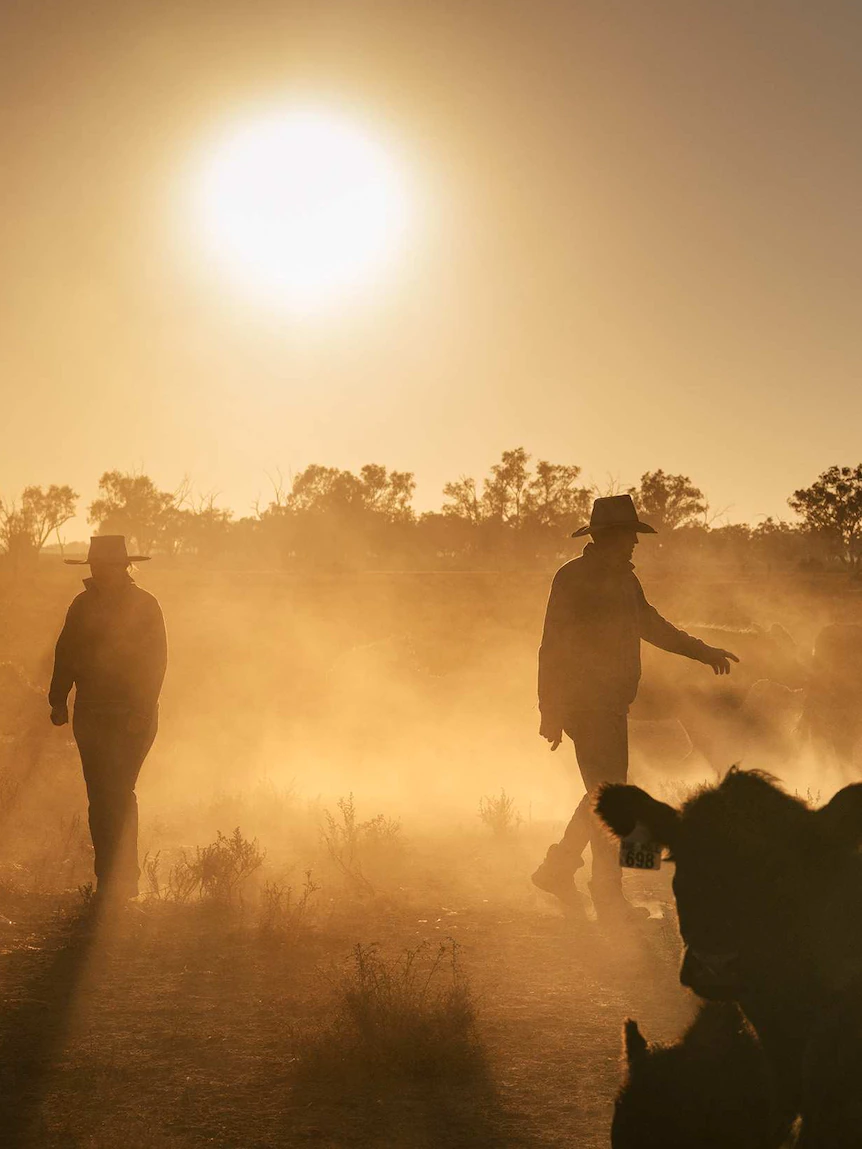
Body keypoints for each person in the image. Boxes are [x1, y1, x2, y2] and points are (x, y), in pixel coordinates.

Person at [532, 495, 738, 922]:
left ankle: (559, 869)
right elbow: (552, 645)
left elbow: (654, 626)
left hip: (611, 703)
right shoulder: (573, 579)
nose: (635, 545)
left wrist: (703, 652)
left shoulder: (625, 580)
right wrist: (550, 710)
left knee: (603, 794)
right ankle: (606, 896)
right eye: (629, 536)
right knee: (613, 797)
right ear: (610, 536)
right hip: (585, 704)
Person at [48, 535, 167, 903]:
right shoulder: (81, 606)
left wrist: (142, 711)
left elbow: (155, 662)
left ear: (123, 567)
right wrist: (57, 698)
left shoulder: (146, 606)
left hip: (131, 715)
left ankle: (123, 882)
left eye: (107, 566)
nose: (100, 572)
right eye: (96, 566)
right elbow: (65, 652)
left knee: (117, 792)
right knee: (101, 796)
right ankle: (108, 882)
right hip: (92, 712)